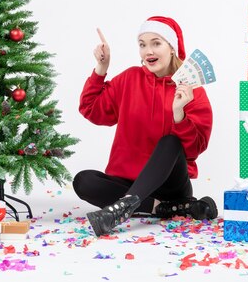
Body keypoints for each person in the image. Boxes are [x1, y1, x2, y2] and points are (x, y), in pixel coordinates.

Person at [74, 16, 217, 237]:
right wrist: (101, 68)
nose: (148, 51)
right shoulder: (130, 79)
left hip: (170, 186)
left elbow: (194, 149)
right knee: (83, 181)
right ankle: (158, 208)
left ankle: (125, 207)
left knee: (170, 141)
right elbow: (90, 108)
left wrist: (178, 114)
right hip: (127, 182)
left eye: (156, 43)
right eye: (142, 45)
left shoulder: (192, 90)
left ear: (172, 48)